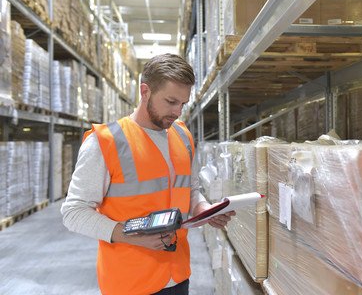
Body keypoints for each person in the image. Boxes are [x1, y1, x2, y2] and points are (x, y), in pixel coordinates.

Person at [61, 53, 235, 295]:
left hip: (177, 274)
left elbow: (191, 190)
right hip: (130, 281)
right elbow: (73, 212)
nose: (178, 112)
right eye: (171, 101)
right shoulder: (106, 142)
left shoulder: (183, 136)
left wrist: (203, 210)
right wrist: (130, 236)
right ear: (145, 92)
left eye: (183, 104)